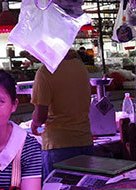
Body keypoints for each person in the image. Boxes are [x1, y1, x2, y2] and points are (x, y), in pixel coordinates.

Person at [31, 50, 94, 178]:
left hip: (58, 146)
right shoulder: (80, 66)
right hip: (85, 141)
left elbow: (40, 118)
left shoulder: (45, 72)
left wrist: (35, 124)